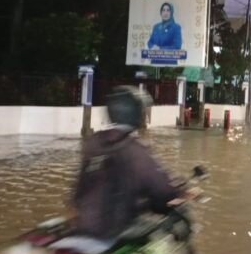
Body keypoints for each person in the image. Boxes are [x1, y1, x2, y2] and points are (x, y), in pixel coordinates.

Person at [73, 86, 181, 239]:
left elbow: (77, 195)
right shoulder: (135, 151)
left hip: (83, 229)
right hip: (115, 234)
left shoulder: (93, 143)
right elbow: (163, 191)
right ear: (136, 112)